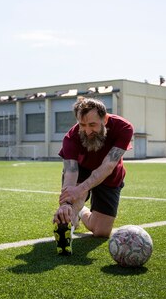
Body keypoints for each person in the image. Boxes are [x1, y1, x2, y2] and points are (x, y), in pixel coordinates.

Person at [52, 97, 133, 255]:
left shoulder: (124, 128)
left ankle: (83, 211)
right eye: (82, 125)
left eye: (92, 125)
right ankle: (71, 220)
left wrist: (81, 189)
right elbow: (70, 172)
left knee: (101, 232)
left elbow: (108, 166)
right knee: (72, 206)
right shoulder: (71, 137)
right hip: (82, 171)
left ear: (105, 119)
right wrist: (67, 201)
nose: (87, 131)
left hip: (110, 175)